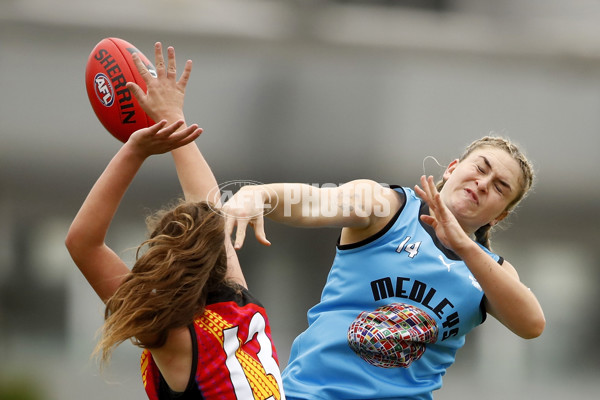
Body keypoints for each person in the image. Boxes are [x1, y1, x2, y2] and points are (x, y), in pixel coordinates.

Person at [222, 137, 546, 399]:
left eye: (500, 186)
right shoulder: (388, 206)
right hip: (312, 393)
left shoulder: (492, 272)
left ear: (499, 216)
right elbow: (315, 202)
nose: (484, 183)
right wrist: (259, 195)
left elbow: (531, 325)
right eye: (481, 168)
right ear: (452, 169)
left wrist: (463, 245)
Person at [65, 43, 285, 400]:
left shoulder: (174, 338)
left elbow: (82, 243)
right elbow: (210, 209)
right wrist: (171, 117)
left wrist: (135, 150)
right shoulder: (239, 309)